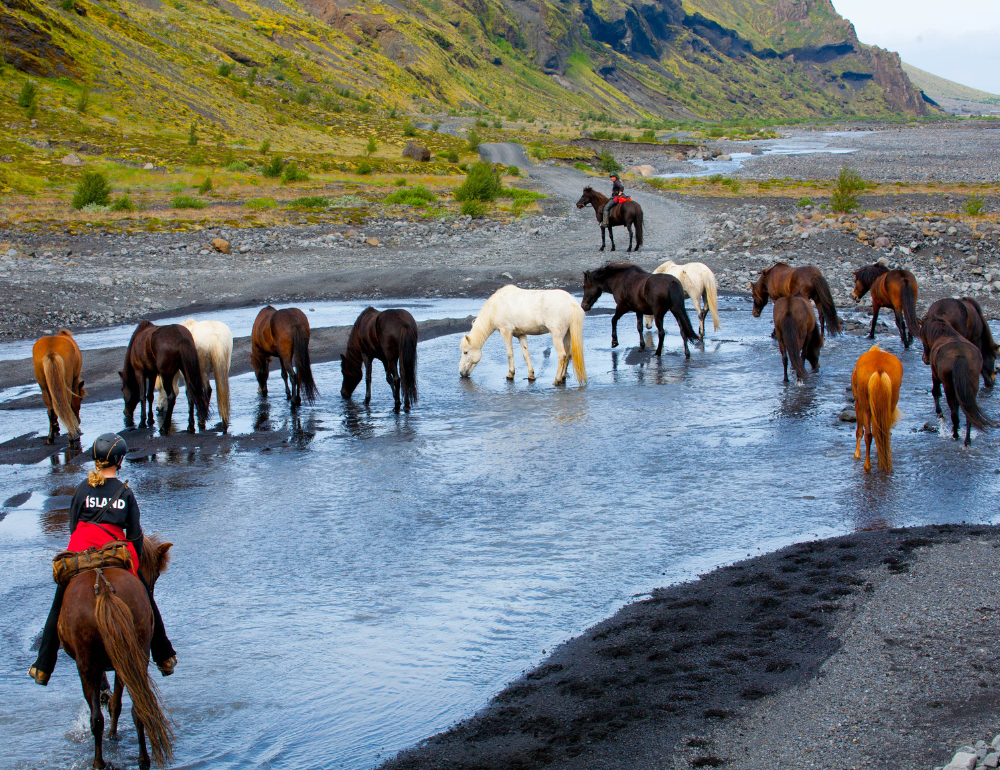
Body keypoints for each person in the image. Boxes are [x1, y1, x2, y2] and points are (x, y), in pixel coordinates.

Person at [28, 433, 176, 685]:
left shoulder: (83, 489)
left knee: (58, 603)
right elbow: (136, 536)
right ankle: (163, 656)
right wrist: (135, 568)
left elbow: (74, 527)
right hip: (114, 553)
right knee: (146, 598)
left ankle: (43, 667)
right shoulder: (125, 492)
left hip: (81, 554)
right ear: (119, 461)